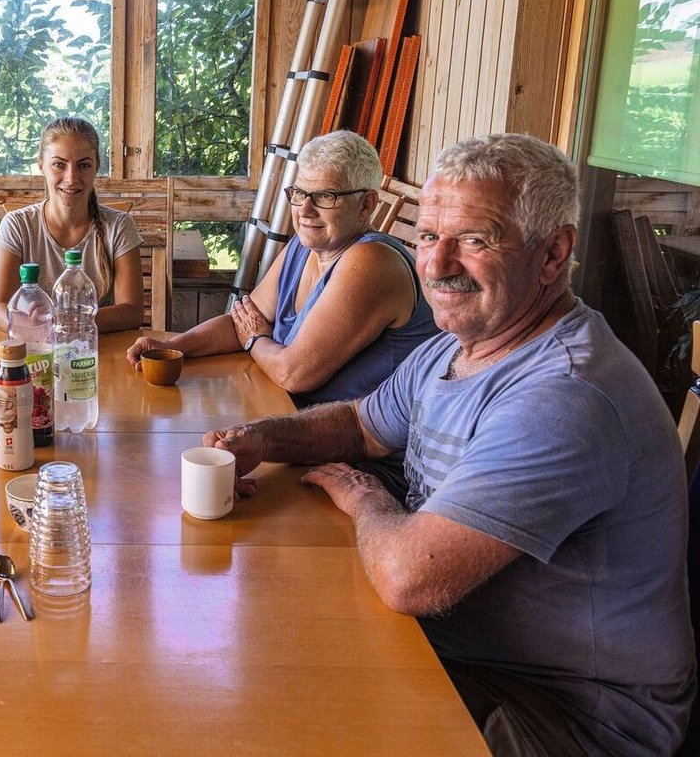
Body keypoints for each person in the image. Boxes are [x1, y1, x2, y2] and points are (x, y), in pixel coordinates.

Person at [205, 133, 695, 756]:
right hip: (458, 648)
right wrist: (262, 437)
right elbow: (361, 423)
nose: (435, 267)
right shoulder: (458, 343)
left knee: (277, 710)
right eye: (430, 237)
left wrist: (366, 502)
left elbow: (410, 578)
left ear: (553, 256)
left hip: (563, 710)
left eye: (474, 240)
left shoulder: (566, 394)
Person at [128, 130, 438, 409]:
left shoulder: (372, 262)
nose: (305, 210)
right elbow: (243, 323)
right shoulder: (302, 247)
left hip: (360, 453)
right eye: (300, 193)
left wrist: (255, 340)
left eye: (325, 196)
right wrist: (172, 346)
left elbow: (293, 373)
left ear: (367, 204)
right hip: (291, 415)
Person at [0, 117, 144, 333]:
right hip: (37, 351)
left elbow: (132, 312)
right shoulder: (17, 225)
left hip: (97, 353)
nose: (71, 178)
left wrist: (62, 322)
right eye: (59, 165)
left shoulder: (119, 226)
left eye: (84, 165)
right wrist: (34, 326)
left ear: (97, 166)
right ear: (41, 165)